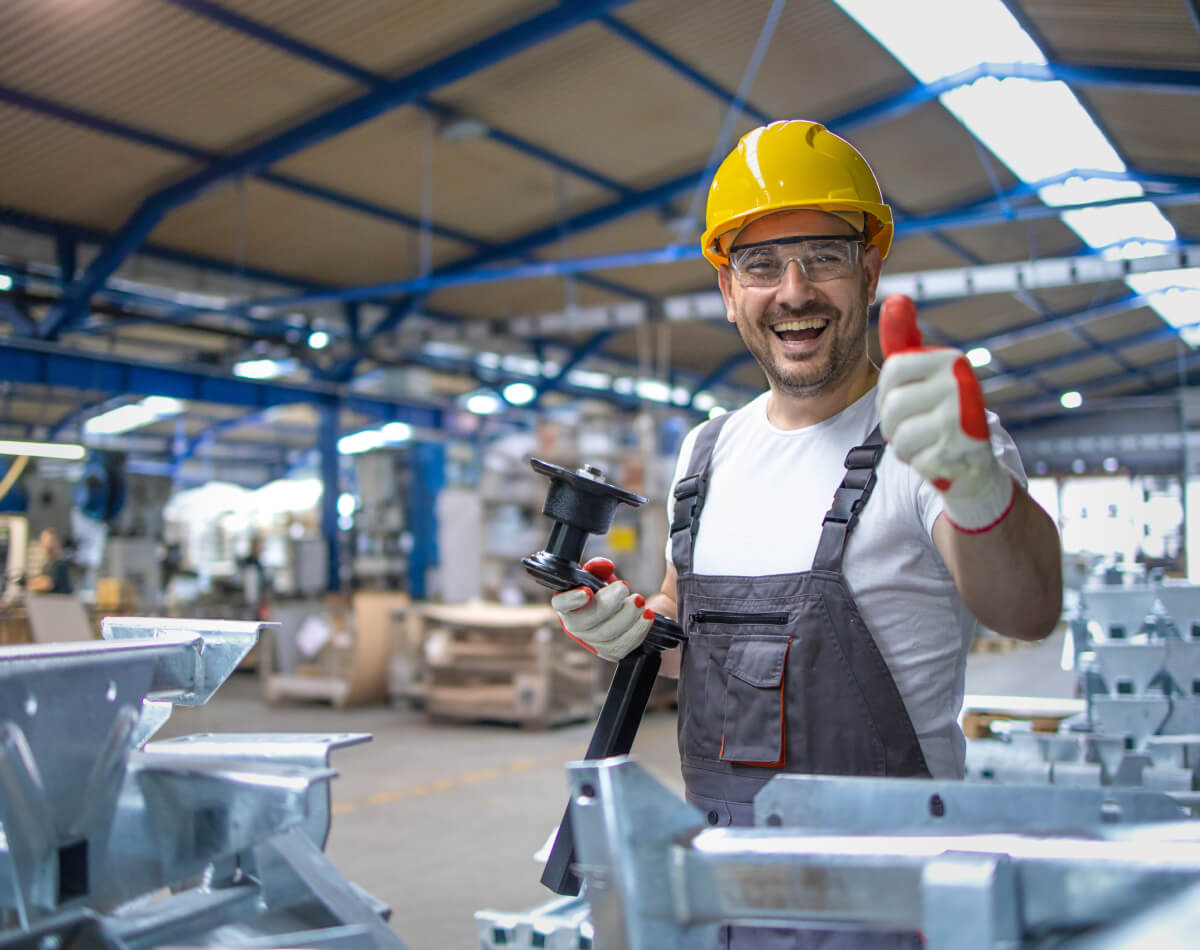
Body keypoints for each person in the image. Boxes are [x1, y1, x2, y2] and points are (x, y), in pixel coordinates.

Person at [550, 120, 1063, 949]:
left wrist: (973, 482)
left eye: (823, 256)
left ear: (870, 269)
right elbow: (697, 639)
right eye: (760, 264)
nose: (793, 290)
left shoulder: (931, 438)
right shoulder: (708, 450)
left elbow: (1030, 609)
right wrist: (629, 630)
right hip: (725, 888)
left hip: (896, 905)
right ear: (728, 289)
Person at [28, 527, 73, 594]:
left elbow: (48, 585)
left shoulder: (60, 564)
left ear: (57, 543)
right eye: (43, 541)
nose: (45, 545)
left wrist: (31, 584)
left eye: (49, 541)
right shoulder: (47, 565)